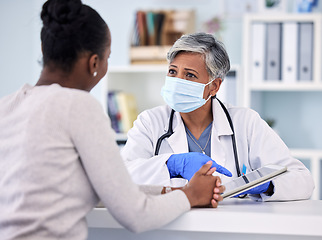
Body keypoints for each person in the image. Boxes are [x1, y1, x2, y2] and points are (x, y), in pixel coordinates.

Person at [0, 1, 225, 239]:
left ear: (44, 50)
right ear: (94, 63)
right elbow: (136, 214)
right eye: (107, 58)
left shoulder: (7, 106)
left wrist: (169, 190)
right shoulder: (78, 106)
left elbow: (103, 188)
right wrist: (191, 196)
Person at [122, 32, 315, 201]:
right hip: (172, 224)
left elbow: (302, 179)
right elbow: (121, 177)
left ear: (214, 86)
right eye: (173, 72)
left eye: (189, 75)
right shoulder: (150, 122)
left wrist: (265, 184)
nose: (177, 81)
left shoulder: (245, 122)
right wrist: (171, 165)